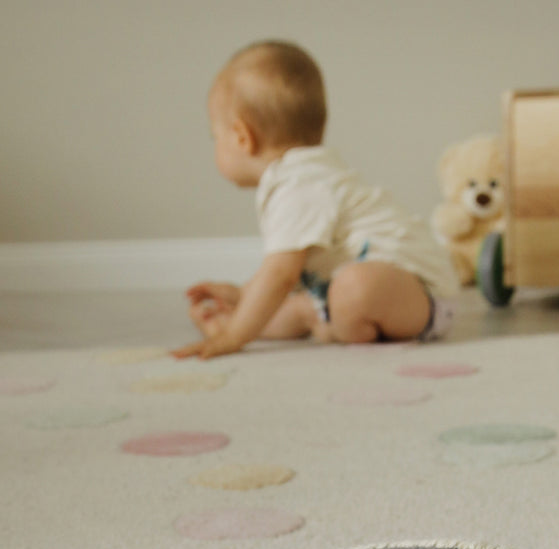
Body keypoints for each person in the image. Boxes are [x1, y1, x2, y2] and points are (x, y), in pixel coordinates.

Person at [173, 41, 459, 360]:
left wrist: (235, 338)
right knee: (305, 302)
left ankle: (329, 324)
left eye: (216, 137)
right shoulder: (299, 175)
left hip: (422, 298)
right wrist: (240, 296)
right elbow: (280, 274)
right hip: (375, 295)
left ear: (242, 137)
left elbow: (280, 275)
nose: (215, 145)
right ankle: (311, 315)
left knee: (350, 288)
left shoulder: (300, 183)